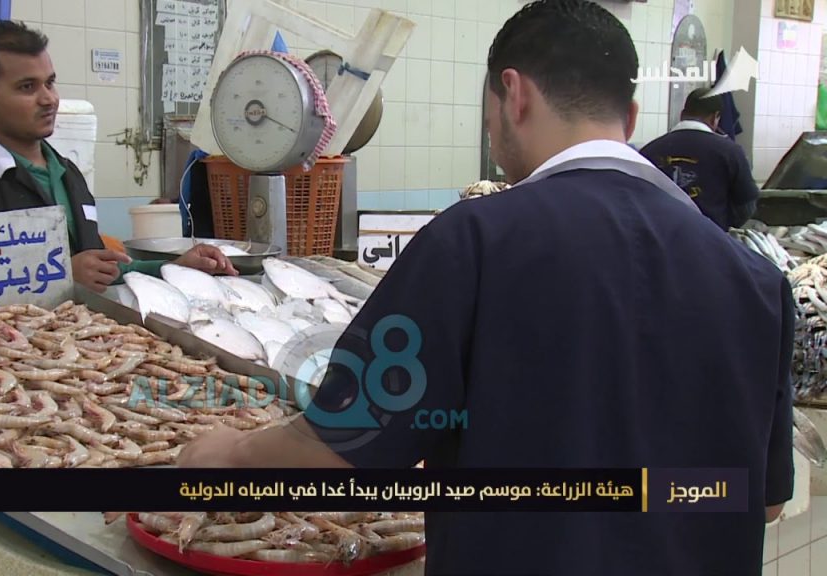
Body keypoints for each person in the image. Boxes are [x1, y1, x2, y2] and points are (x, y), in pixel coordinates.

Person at [177, 1, 794, 574]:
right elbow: (764, 502)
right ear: (630, 119)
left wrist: (230, 453)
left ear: (513, 94)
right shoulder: (758, 282)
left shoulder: (472, 243)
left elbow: (344, 451)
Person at [0, 21, 236, 310]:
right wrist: (61, 277)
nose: (48, 99)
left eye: (50, 83)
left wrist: (175, 268)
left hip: (79, 343)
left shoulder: (68, 175)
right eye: (27, 87)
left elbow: (98, 271)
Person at [640, 87, 761, 231]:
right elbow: (747, 206)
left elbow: (638, 201)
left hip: (660, 237)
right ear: (715, 118)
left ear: (682, 114)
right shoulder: (731, 152)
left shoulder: (649, 151)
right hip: (711, 237)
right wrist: (722, 225)